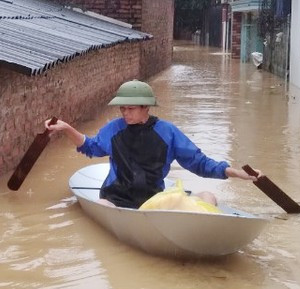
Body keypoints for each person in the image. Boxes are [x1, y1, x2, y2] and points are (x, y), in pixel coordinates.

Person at [46, 80, 260, 209]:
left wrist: (236, 173)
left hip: (153, 200)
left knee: (208, 197)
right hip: (116, 199)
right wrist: (66, 128)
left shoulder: (167, 132)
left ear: (146, 108)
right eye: (123, 109)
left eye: (131, 109)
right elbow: (90, 147)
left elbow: (199, 163)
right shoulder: (114, 129)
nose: (125, 113)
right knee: (101, 205)